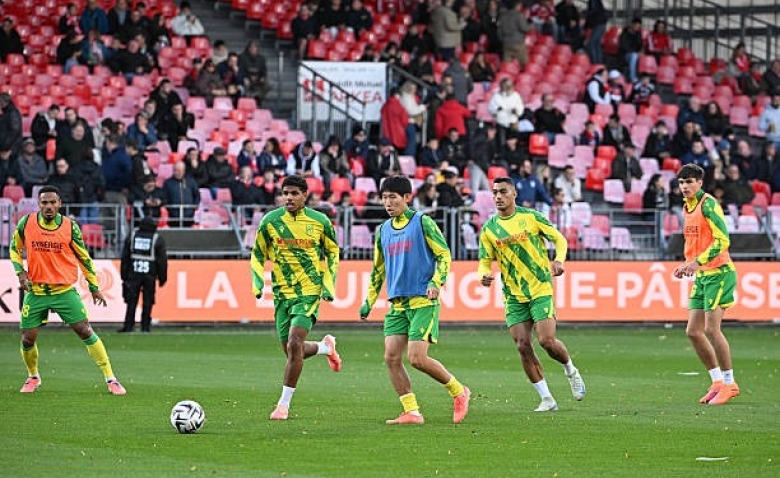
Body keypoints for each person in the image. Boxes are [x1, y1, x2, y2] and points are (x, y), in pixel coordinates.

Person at [359, 176, 471, 425]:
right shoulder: (383, 230)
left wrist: (436, 281)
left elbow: (443, 254)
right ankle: (412, 411)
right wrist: (368, 300)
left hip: (422, 300)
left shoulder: (423, 222)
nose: (388, 203)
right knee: (391, 358)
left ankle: (458, 391)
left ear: (407, 197)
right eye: (384, 197)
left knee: (417, 358)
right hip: (397, 304)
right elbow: (378, 269)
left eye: (393, 197)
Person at [478, 177, 585, 411]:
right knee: (522, 345)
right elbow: (485, 261)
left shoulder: (531, 217)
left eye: (503, 192)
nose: (498, 196)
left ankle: (570, 370)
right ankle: (547, 398)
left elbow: (559, 239)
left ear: (514, 194)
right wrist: (484, 274)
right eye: (495, 192)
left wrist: (558, 260)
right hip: (513, 295)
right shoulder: (489, 229)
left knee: (546, 340)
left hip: (539, 287)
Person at [10, 185, 126, 395]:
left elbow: (84, 257)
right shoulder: (26, 223)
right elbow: (14, 249)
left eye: (53, 202)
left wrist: (94, 286)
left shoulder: (70, 227)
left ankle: (111, 378)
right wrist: (20, 272)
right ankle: (33, 376)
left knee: (85, 330)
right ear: (39, 204)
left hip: (64, 290)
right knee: (28, 338)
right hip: (36, 291)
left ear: (59, 204)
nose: (48, 206)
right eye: (44, 202)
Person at [250, 175, 342, 420]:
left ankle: (283, 405)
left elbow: (333, 252)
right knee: (292, 351)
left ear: (305, 196)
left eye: (293, 193)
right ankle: (324, 347)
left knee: (293, 344)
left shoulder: (319, 221)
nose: (288, 198)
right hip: (281, 294)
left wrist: (328, 284)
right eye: (285, 193)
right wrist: (257, 281)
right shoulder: (270, 221)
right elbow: (257, 254)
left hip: (308, 292)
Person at [672, 164, 740, 406]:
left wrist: (697, 262)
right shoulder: (687, 206)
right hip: (702, 274)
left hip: (719, 273)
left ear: (700, 183)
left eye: (689, 182)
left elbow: (723, 239)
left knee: (712, 329)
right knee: (693, 331)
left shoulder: (708, 204)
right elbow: (695, 242)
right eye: (681, 183)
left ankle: (730, 383)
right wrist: (687, 265)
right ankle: (717, 382)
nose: (685, 187)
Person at [119, 216, 167, 333]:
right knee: (148, 301)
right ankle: (145, 327)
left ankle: (128, 326)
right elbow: (162, 261)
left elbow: (125, 257)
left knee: (131, 301)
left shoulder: (132, 236)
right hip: (150, 274)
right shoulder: (157, 239)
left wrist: (124, 276)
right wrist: (162, 278)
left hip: (133, 273)